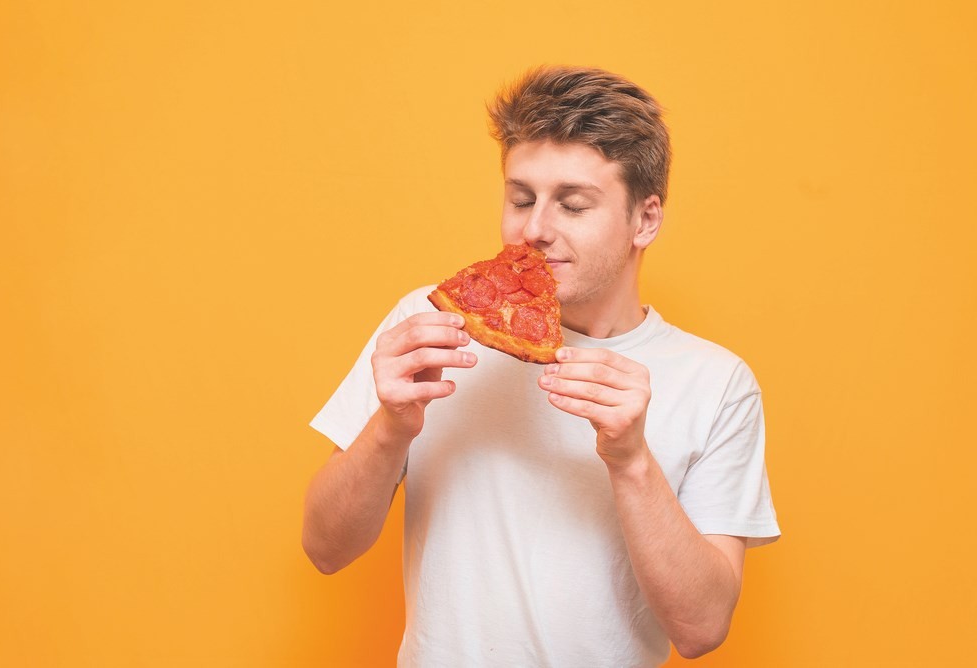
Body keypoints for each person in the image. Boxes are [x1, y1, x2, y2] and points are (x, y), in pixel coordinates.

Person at [303, 65, 780, 667]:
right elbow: (325, 548)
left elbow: (702, 628)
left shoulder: (718, 383)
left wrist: (632, 460)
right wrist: (391, 428)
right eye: (521, 199)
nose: (533, 230)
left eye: (573, 206)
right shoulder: (429, 326)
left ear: (645, 220)